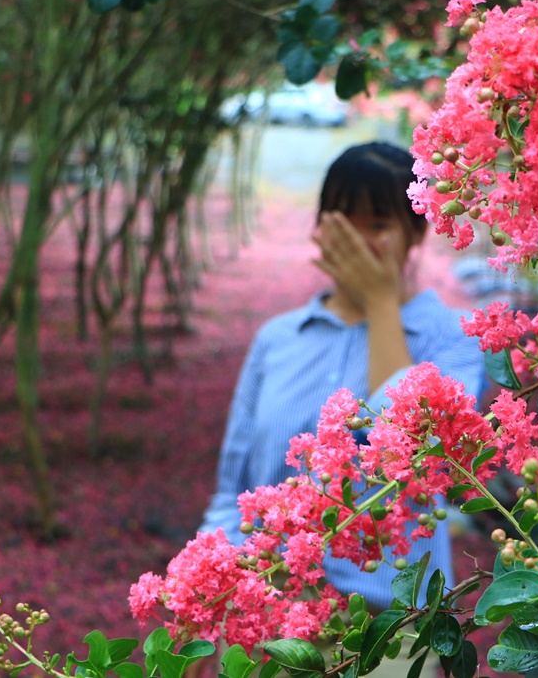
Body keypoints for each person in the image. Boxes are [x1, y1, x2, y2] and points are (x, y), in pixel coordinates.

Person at [197, 141, 486, 672]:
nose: (355, 240)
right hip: (266, 634)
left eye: (376, 224)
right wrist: (200, 617)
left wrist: (379, 303)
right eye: (342, 222)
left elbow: (421, 457)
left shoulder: (454, 340)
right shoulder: (277, 340)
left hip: (388, 642)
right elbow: (231, 491)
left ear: (416, 231)